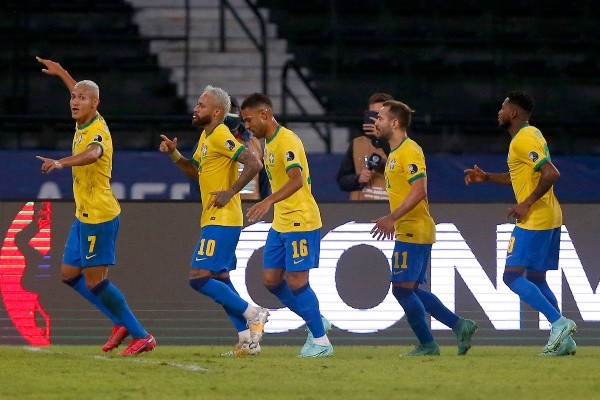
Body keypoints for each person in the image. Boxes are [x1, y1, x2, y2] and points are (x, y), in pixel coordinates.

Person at [34, 56, 156, 355]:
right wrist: (62, 72)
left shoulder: (96, 132)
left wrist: (61, 163)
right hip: (83, 213)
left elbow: (93, 153)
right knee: (68, 275)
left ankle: (141, 335)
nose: (74, 101)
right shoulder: (84, 116)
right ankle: (119, 322)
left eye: (82, 98)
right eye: (73, 97)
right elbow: (81, 90)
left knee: (95, 282)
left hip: (99, 215)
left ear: (96, 104)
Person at [159, 85, 269, 356]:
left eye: (202, 105)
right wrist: (175, 154)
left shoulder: (220, 134)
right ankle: (246, 341)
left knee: (198, 277)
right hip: (213, 217)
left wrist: (230, 191)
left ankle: (254, 313)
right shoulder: (206, 139)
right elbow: (194, 171)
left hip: (223, 217)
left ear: (217, 112)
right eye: (197, 104)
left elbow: (254, 163)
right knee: (220, 278)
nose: (196, 109)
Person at [464, 90, 577, 356]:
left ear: (513, 113)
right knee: (536, 278)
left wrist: (526, 202)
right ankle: (565, 340)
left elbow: (551, 173)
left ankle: (560, 323)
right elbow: (522, 174)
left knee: (511, 276)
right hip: (551, 215)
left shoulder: (522, 140)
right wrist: (488, 177)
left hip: (535, 218)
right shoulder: (532, 133)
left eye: (503, 108)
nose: (499, 112)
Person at [371, 100, 477, 356]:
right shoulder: (395, 154)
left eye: (381, 118)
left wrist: (392, 217)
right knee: (411, 289)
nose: (376, 122)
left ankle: (428, 345)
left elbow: (420, 191)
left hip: (413, 229)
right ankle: (459, 325)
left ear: (394, 123)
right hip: (412, 229)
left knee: (401, 289)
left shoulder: (410, 151)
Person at [242, 93, 333, 357]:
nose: (247, 126)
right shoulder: (269, 142)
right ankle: (316, 320)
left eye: (249, 120)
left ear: (265, 115)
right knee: (271, 280)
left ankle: (321, 342)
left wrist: (267, 200)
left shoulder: (287, 141)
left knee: (296, 281)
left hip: (300, 219)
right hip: (282, 222)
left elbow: (296, 180)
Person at [189, 95, 271, 201]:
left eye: (233, 109)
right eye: (226, 109)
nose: (230, 113)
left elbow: (264, 180)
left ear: (239, 112)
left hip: (251, 207)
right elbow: (196, 179)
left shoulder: (255, 142)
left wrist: (265, 204)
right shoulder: (206, 141)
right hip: (221, 207)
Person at [336, 92, 393, 200]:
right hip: (360, 209)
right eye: (370, 113)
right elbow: (342, 180)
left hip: (388, 209)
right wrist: (357, 178)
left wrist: (381, 138)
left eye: (378, 114)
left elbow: (404, 174)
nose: (373, 119)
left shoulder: (400, 145)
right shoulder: (357, 143)